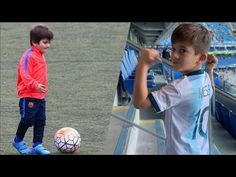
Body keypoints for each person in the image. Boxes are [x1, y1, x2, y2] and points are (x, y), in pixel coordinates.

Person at [133, 23, 218, 154]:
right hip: (200, 149)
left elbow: (140, 103)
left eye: (182, 50)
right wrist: (210, 69)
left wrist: (142, 65)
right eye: (173, 49)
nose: (174, 56)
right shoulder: (205, 78)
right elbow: (211, 90)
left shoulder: (179, 88)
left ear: (201, 57)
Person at [12, 24, 54, 155]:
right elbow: (24, 74)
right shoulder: (28, 56)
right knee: (27, 119)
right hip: (28, 94)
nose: (48, 45)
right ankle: (18, 141)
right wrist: (35, 85)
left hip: (40, 96)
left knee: (40, 121)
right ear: (35, 43)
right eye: (45, 42)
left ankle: (37, 145)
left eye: (49, 42)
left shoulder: (40, 54)